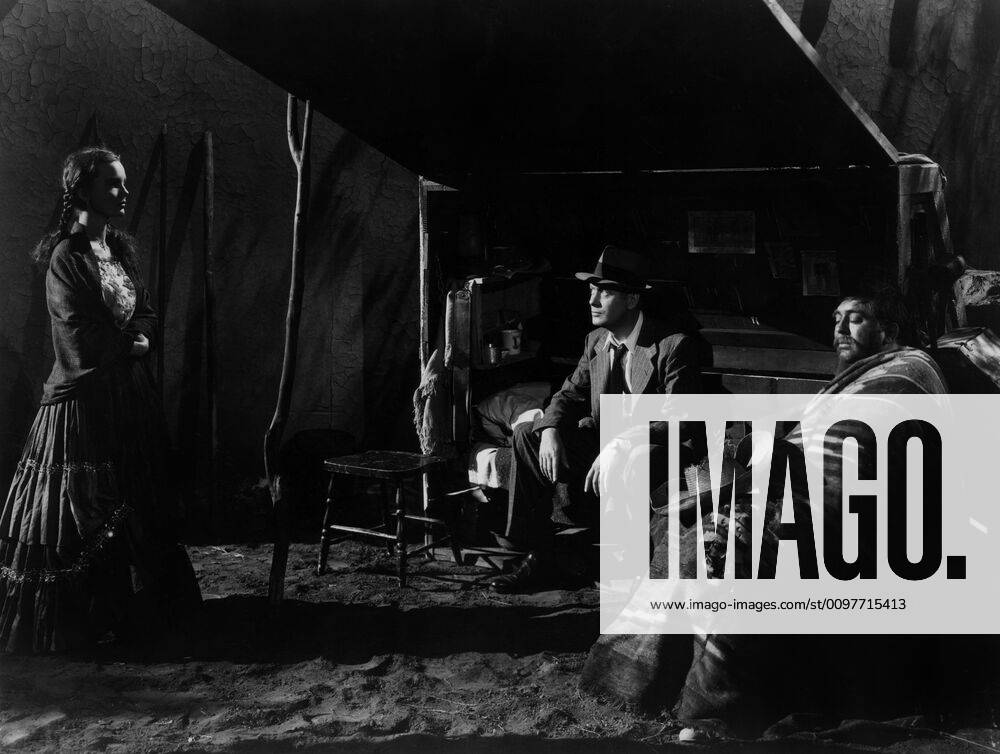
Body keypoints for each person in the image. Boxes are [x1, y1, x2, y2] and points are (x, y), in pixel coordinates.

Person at [0, 147, 201, 653]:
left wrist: (143, 338)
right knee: (88, 509)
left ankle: (144, 613)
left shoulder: (121, 252)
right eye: (113, 183)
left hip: (129, 397)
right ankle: (90, 618)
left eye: (125, 182)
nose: (123, 191)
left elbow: (147, 311)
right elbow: (76, 335)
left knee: (140, 500)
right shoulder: (66, 258)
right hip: (85, 402)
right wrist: (127, 345)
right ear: (83, 190)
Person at [490, 244, 705, 593]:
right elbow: (568, 394)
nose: (591, 302)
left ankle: (633, 569)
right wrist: (549, 430)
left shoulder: (672, 345)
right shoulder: (595, 341)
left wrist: (622, 442)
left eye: (604, 293)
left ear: (632, 300)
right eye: (592, 292)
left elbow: (678, 416)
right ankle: (538, 555)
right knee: (526, 434)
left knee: (636, 455)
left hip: (657, 451)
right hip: (603, 445)